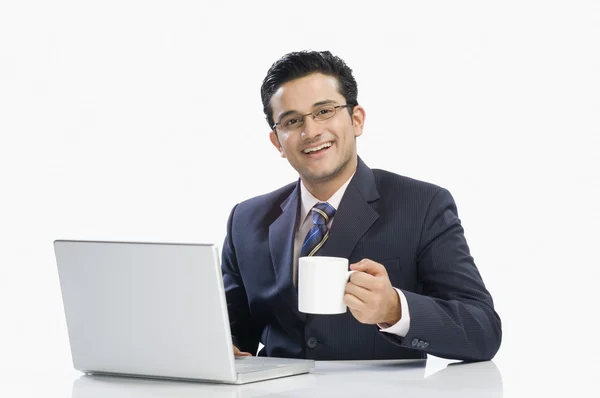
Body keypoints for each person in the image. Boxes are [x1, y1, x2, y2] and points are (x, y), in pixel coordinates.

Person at [221, 50, 502, 361]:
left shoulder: (422, 206)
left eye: (324, 111)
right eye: (292, 120)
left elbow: (483, 331)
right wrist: (219, 349)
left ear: (356, 120)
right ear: (278, 142)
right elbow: (231, 333)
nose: (310, 131)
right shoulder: (246, 221)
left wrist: (394, 309)